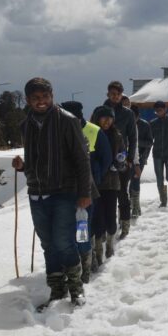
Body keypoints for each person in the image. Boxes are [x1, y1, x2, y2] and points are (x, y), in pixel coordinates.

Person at [11, 78, 93, 309]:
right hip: (37, 193)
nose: (41, 102)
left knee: (64, 242)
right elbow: (37, 161)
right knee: (48, 244)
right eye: (36, 98)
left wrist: (84, 192)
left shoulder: (67, 121)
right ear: (27, 100)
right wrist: (22, 166)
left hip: (63, 192)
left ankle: (76, 290)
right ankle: (57, 290)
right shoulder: (25, 125)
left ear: (52, 95)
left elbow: (81, 159)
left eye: (45, 96)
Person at [60, 100, 111, 283]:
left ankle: (86, 268)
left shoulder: (93, 130)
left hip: (86, 190)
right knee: (66, 230)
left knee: (83, 229)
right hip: (63, 191)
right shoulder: (59, 131)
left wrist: (95, 177)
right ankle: (74, 266)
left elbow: (106, 158)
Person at [89, 106, 125, 266]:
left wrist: (120, 162)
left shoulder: (117, 135)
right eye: (103, 118)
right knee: (97, 219)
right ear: (97, 118)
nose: (107, 121)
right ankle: (97, 251)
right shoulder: (91, 133)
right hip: (95, 183)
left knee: (110, 217)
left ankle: (110, 243)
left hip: (111, 183)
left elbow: (123, 154)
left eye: (110, 118)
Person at [103, 81, 138, 240]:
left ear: (121, 95)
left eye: (118, 94)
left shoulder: (128, 113)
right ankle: (105, 227)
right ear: (108, 94)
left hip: (122, 158)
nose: (115, 97)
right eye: (112, 94)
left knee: (122, 193)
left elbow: (133, 137)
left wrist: (131, 158)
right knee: (105, 195)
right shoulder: (101, 111)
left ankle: (124, 224)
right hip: (104, 158)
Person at [123, 95, 152, 220]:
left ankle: (135, 207)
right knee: (124, 185)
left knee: (135, 182)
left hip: (138, 160)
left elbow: (149, 143)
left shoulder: (144, 125)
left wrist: (136, 143)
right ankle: (126, 207)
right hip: (124, 159)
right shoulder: (121, 122)